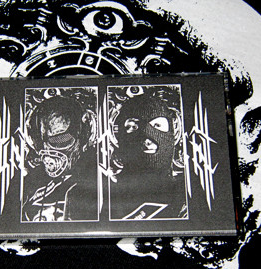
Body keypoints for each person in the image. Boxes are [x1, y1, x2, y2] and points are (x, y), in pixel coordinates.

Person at [110, 86, 187, 220]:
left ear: (173, 134)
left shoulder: (186, 195)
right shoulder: (105, 194)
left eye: (157, 126)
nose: (146, 140)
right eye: (133, 127)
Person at [22, 91, 98, 222]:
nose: (47, 151)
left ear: (83, 136)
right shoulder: (30, 182)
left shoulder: (95, 183)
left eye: (59, 139)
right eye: (39, 141)